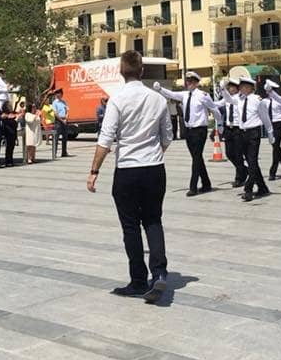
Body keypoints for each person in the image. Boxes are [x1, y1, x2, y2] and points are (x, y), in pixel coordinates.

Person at [87, 50, 172, 303]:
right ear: (142, 70)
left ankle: (138, 280)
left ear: (121, 71)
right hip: (154, 168)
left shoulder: (117, 99)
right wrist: (152, 152)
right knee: (153, 221)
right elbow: (167, 137)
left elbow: (106, 139)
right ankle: (159, 273)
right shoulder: (157, 99)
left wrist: (94, 171)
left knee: (131, 226)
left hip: (127, 170)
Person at [153, 71, 222, 196]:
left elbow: (215, 109)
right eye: (187, 81)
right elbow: (172, 94)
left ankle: (193, 186)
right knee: (197, 158)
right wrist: (160, 89)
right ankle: (206, 184)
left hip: (199, 130)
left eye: (191, 81)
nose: (188, 83)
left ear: (196, 83)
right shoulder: (185, 95)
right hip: (189, 131)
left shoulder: (203, 95)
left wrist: (220, 125)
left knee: (196, 158)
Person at [219, 76, 274, 202]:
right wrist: (223, 88)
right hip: (242, 133)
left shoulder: (258, 100)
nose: (241, 88)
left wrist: (270, 133)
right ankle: (262, 188)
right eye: (241, 86)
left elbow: (265, 118)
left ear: (250, 87)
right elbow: (228, 99)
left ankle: (248, 189)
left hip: (253, 133)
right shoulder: (239, 99)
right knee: (251, 163)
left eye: (244, 86)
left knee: (252, 162)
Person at [215, 78, 246, 187]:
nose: (231, 89)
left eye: (233, 87)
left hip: (238, 128)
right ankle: (243, 169)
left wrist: (223, 89)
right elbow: (218, 104)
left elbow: (227, 98)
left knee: (238, 154)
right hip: (229, 128)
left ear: (237, 88)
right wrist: (206, 102)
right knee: (229, 153)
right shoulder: (227, 98)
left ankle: (240, 178)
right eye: (229, 87)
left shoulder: (240, 98)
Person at [264, 83, 281, 181]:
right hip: (269, 125)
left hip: (278, 124)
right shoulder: (265, 101)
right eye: (267, 90)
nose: (268, 92)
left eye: (270, 90)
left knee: (275, 148)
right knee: (276, 148)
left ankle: (273, 172)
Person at [52, 88, 71, 157]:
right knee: (56, 137)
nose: (60, 95)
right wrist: (62, 120)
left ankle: (64, 152)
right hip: (58, 121)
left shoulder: (64, 102)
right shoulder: (55, 102)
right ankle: (54, 153)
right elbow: (55, 113)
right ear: (57, 94)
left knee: (65, 137)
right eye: (58, 93)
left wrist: (66, 118)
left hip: (65, 120)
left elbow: (67, 110)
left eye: (61, 93)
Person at [0, 100, 18, 167]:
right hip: (8, 132)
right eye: (9, 105)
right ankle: (8, 161)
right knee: (9, 147)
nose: (11, 107)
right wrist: (13, 119)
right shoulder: (4, 113)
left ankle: (11, 160)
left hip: (13, 131)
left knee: (12, 147)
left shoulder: (12, 113)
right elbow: (7, 122)